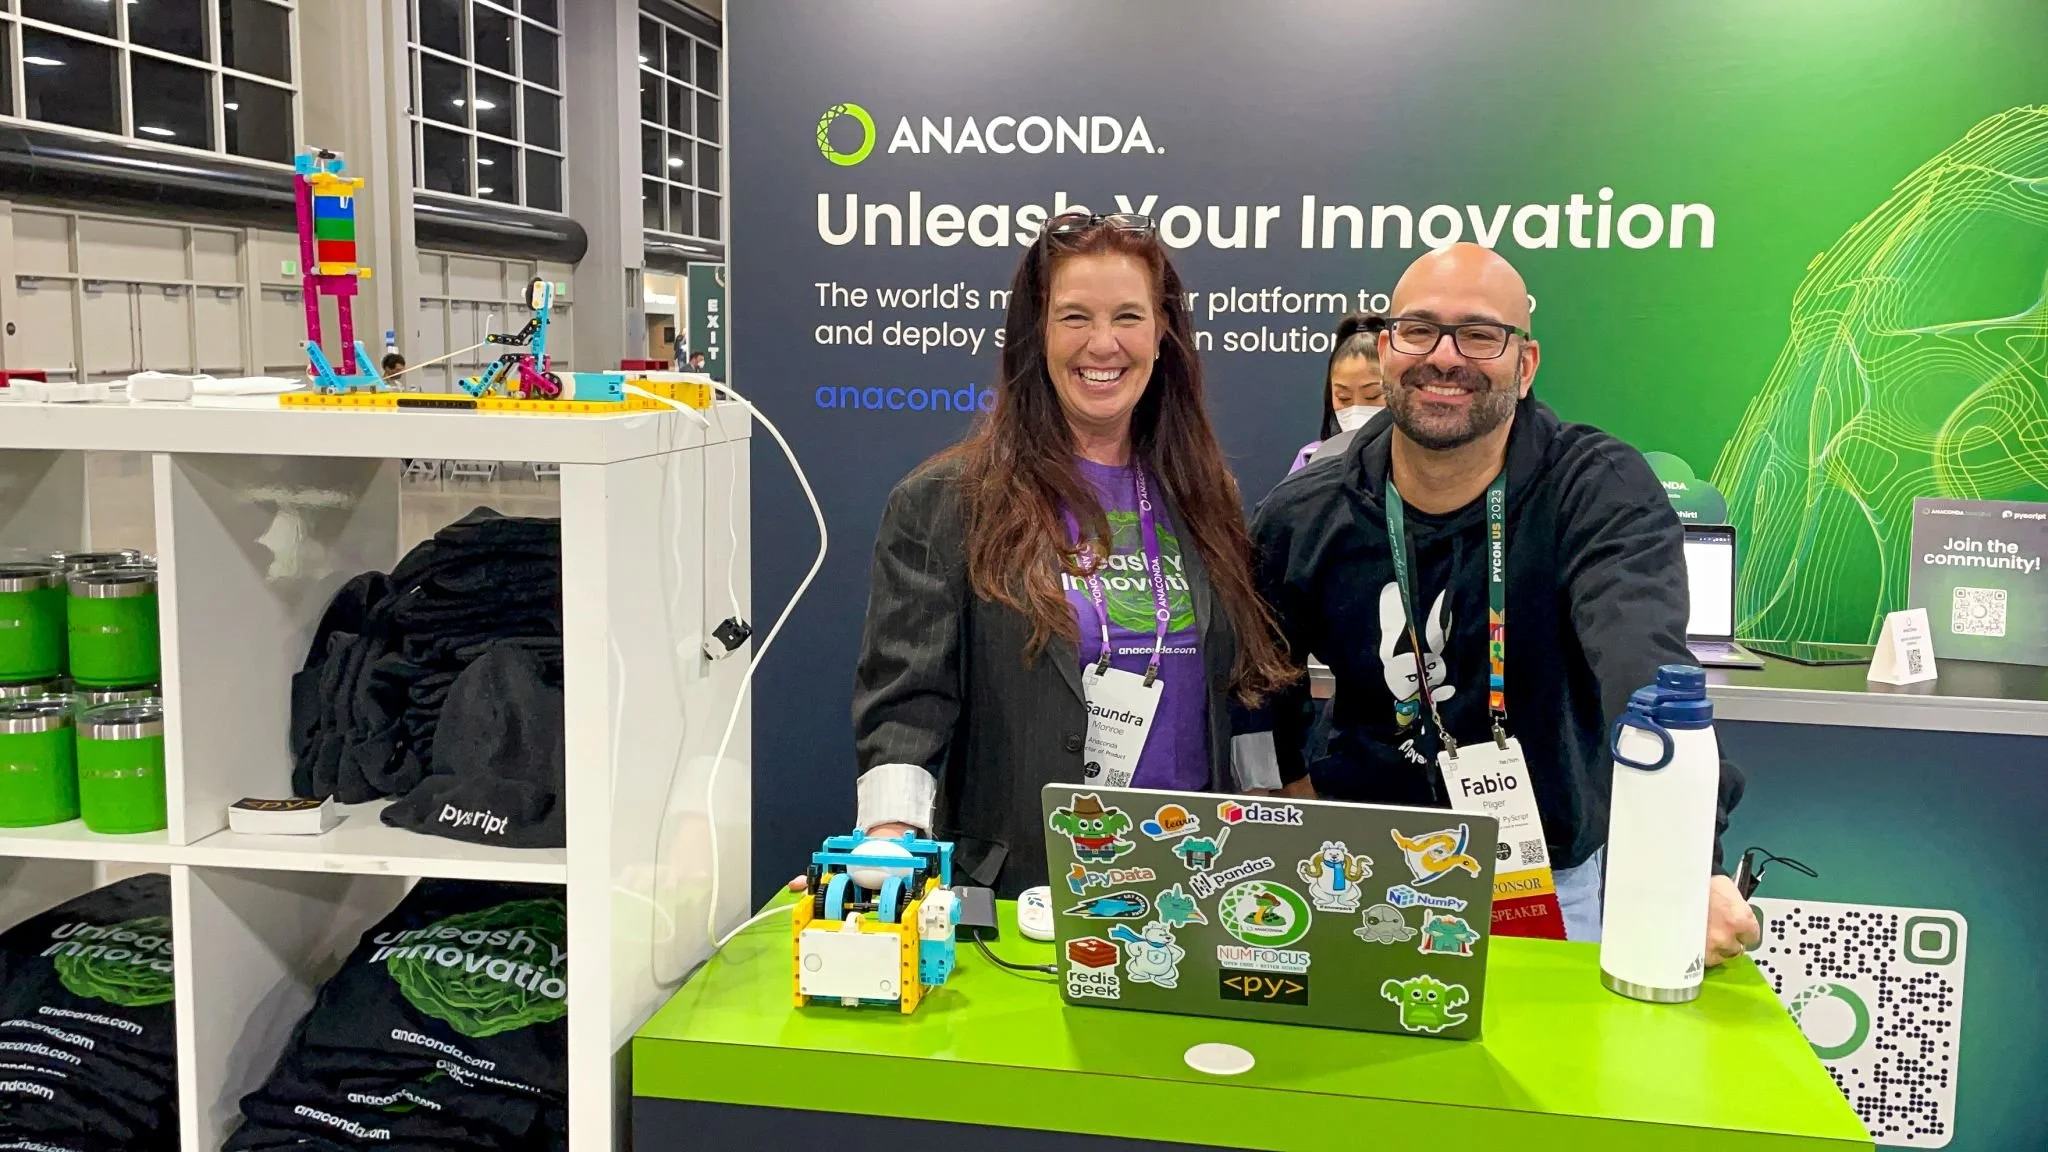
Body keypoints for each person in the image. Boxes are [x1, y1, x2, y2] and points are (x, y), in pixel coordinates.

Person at [1242, 243, 1758, 965]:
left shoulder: (1594, 491)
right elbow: (1256, 679)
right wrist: (1279, 791)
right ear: (1387, 350)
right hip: (1357, 864)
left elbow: (1642, 667)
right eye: (1419, 330)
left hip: (1540, 875)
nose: (1444, 357)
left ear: (1526, 363)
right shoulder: (1309, 512)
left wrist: (1689, 860)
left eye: (1480, 335)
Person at [848, 211, 1296, 897]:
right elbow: (908, 706)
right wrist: (890, 836)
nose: (1103, 344)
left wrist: (1267, 816)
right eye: (1074, 317)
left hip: (1193, 884)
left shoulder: (1206, 497)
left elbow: (1237, 692)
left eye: (1128, 317)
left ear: (1162, 333)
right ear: (1037, 334)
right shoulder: (946, 500)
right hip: (1024, 891)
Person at [1288, 312, 1386, 473]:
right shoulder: (1310, 460)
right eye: (1344, 398)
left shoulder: (1419, 463)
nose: (1356, 410)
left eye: (1372, 396)